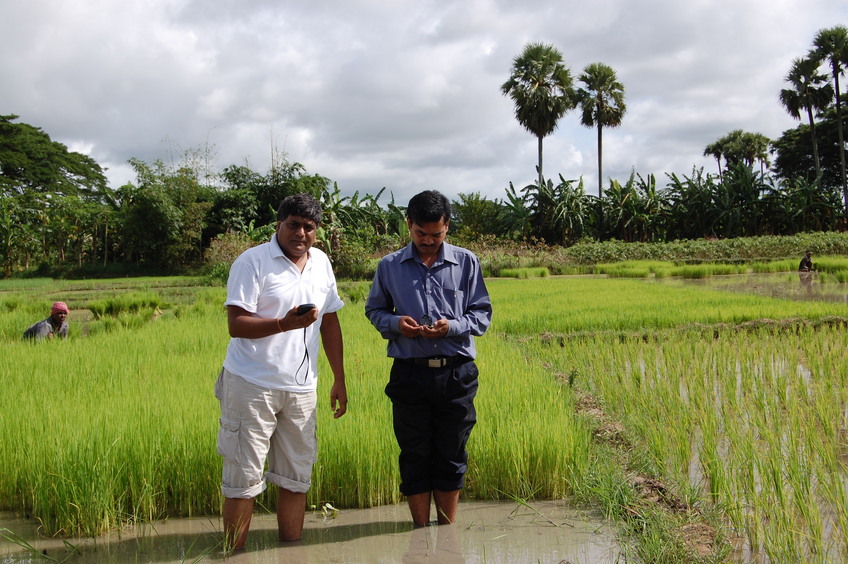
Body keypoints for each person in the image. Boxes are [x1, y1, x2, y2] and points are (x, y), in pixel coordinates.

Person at [216, 193, 348, 551]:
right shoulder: (253, 262)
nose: (301, 233)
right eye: (294, 224)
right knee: (242, 478)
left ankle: (291, 553)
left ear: (317, 232)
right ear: (279, 224)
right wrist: (283, 324)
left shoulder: (321, 262)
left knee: (296, 478)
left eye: (309, 227)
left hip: (303, 388)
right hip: (251, 384)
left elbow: (330, 320)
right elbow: (236, 324)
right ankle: (234, 555)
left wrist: (339, 378)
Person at [365, 190, 492, 527]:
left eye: (436, 234)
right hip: (410, 374)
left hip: (457, 375)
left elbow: (481, 314)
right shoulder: (390, 266)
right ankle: (420, 533)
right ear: (409, 224)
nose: (428, 241)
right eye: (421, 233)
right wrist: (396, 324)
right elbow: (374, 309)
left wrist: (451, 327)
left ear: (447, 227)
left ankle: (446, 534)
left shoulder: (467, 262)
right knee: (414, 453)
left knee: (452, 454)